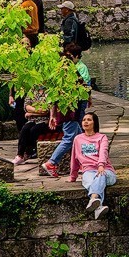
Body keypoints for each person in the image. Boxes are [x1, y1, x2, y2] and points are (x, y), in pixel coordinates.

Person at [41, 44, 91, 178]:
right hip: (70, 113)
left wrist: (53, 114)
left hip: (72, 113)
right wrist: (52, 114)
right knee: (69, 139)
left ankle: (84, 163)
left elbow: (55, 96)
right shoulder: (70, 74)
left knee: (80, 138)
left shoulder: (65, 74)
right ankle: (51, 162)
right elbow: (84, 90)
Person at [71, 111, 114, 218]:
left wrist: (101, 165)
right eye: (84, 120)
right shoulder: (78, 139)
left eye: (89, 120)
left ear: (95, 123)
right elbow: (74, 158)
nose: (85, 122)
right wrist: (73, 176)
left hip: (106, 170)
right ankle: (99, 207)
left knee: (101, 175)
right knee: (92, 181)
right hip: (88, 170)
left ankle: (93, 198)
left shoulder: (102, 137)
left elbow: (103, 152)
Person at [14, 89, 52, 164]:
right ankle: (20, 155)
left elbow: (46, 110)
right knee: (25, 129)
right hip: (32, 120)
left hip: (45, 120)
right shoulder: (32, 91)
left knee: (34, 130)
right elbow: (26, 106)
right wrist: (38, 111)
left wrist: (32, 113)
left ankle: (28, 152)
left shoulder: (49, 92)